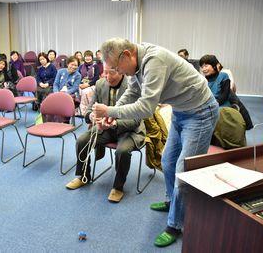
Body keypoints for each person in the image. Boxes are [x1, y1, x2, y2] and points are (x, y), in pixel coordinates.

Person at [93, 38, 219, 247]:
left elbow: (146, 107)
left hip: (200, 114)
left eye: (116, 67)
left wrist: (110, 111)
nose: (118, 72)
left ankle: (176, 224)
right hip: (181, 112)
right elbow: (132, 93)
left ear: (127, 55)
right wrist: (113, 116)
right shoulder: (135, 65)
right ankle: (172, 202)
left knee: (183, 172)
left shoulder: (154, 61)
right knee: (167, 162)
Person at [66, 64, 145, 203]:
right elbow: (89, 110)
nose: (107, 77)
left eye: (111, 72)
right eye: (105, 73)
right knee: (82, 141)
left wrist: (114, 123)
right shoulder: (100, 83)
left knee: (122, 151)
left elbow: (136, 120)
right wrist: (92, 117)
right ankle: (83, 176)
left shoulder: (133, 86)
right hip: (105, 127)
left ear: (121, 71)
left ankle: (118, 187)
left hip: (129, 130)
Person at [77, 50, 100, 116]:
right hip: (82, 84)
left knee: (85, 92)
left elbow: (96, 78)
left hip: (91, 84)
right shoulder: (81, 66)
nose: (88, 58)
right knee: (77, 91)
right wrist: (80, 84)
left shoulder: (95, 66)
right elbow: (78, 76)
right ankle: (79, 111)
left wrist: (88, 84)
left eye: (89, 56)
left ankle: (87, 111)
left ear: (92, 57)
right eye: (86, 56)